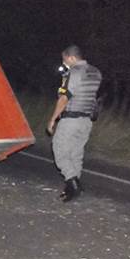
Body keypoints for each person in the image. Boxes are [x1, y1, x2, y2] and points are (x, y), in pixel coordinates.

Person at [47, 45, 102, 202]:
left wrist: (53, 119)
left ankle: (73, 181)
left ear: (71, 58)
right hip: (86, 120)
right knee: (76, 154)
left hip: (71, 120)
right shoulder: (96, 72)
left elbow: (64, 98)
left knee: (59, 149)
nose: (65, 64)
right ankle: (71, 189)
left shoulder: (74, 72)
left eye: (65, 60)